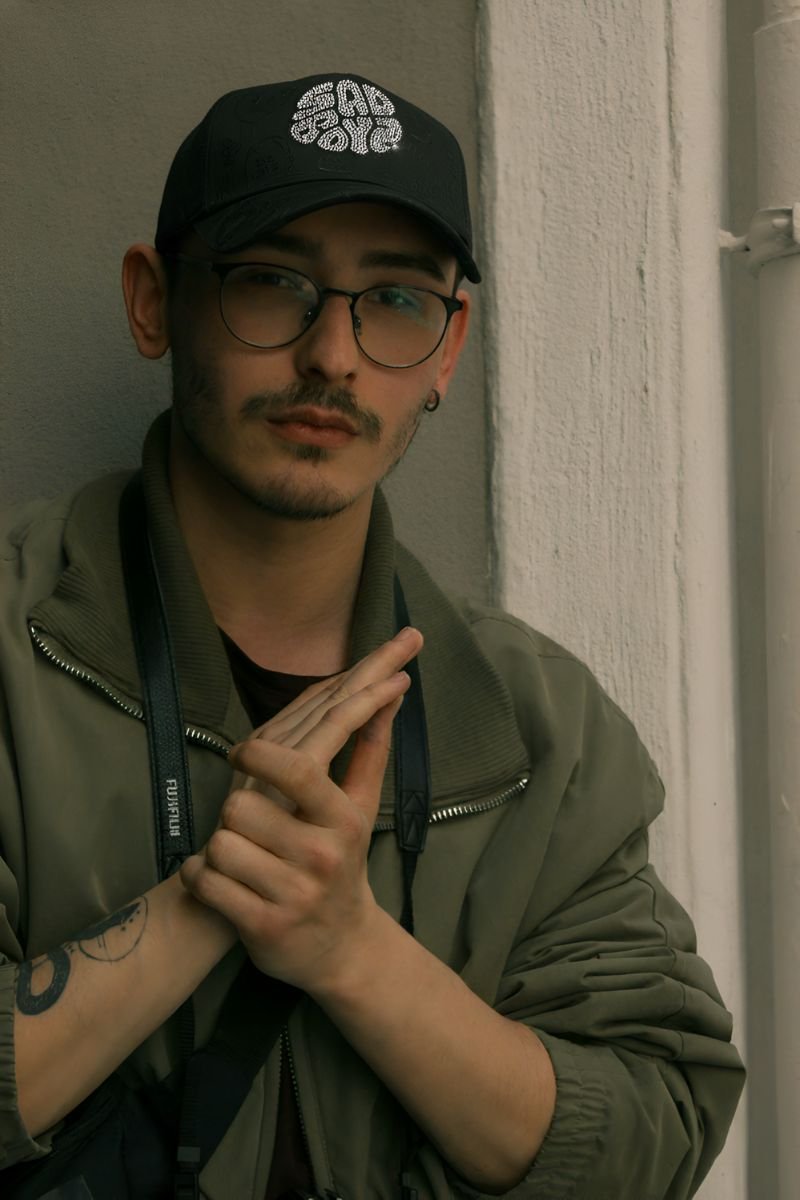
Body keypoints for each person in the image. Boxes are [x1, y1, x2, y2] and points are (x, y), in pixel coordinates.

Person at [0, 73, 744, 1200]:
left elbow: (652, 1132)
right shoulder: (16, 653)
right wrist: (208, 898)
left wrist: (348, 948)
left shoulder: (536, 725)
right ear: (154, 303)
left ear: (448, 352)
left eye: (394, 300)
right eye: (271, 283)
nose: (333, 357)